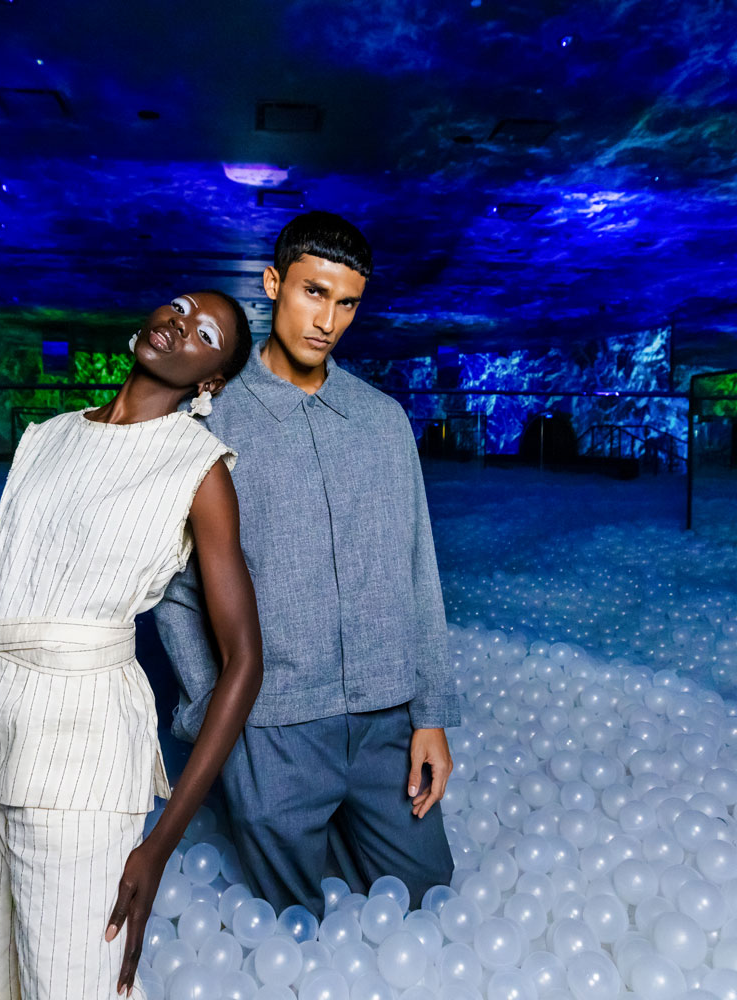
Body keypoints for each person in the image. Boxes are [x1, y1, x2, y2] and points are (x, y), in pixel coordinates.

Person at [0, 289, 263, 999]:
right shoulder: (46, 435)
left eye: (205, 335)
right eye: (181, 308)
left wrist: (160, 845)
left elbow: (245, 662)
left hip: (79, 750)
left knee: (69, 983)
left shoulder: (200, 469)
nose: (180, 326)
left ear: (210, 380)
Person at [154, 212, 458, 916]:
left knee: (428, 903)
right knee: (290, 931)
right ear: (272, 284)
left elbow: (421, 569)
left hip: (386, 721)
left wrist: (431, 715)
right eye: (312, 292)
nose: (327, 319)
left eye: (346, 302)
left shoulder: (383, 421)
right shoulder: (210, 422)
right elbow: (176, 587)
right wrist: (218, 717)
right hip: (273, 726)